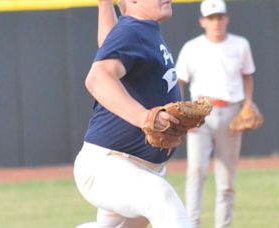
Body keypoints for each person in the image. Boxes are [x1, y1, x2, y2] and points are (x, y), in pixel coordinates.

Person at [73, 0, 192, 227]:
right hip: (109, 164)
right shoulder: (133, 30)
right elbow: (97, 78)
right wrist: (146, 118)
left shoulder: (141, 31)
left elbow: (109, 45)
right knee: (162, 199)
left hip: (138, 167)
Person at [175, 0, 257, 227]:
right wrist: (184, 115)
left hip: (230, 112)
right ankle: (191, 225)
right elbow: (179, 81)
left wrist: (248, 103)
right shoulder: (192, 47)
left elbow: (247, 75)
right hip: (199, 114)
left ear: (226, 18)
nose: (216, 22)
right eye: (211, 18)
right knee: (195, 173)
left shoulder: (240, 45)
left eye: (219, 17)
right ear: (202, 21)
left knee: (226, 180)